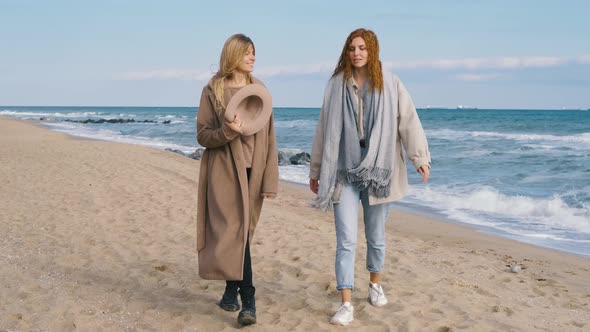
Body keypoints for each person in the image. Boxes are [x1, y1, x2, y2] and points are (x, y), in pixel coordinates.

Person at [309, 28, 431, 326]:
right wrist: (316, 170)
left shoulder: (390, 83)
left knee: (376, 237)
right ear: (346, 52)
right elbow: (324, 128)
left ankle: (375, 284)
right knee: (346, 240)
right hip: (343, 170)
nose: (357, 53)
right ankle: (346, 302)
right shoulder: (336, 85)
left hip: (379, 169)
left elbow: (408, 120)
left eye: (362, 47)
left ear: (372, 50)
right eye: (352, 48)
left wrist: (419, 158)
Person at [196, 33, 278, 326]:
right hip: (222, 171)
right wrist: (229, 131)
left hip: (252, 173)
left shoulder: (260, 89)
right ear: (233, 54)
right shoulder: (213, 89)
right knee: (234, 231)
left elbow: (269, 140)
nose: (253, 57)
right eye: (247, 52)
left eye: (254, 52)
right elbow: (203, 135)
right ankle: (249, 300)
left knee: (243, 233)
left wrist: (270, 180)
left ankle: (230, 292)